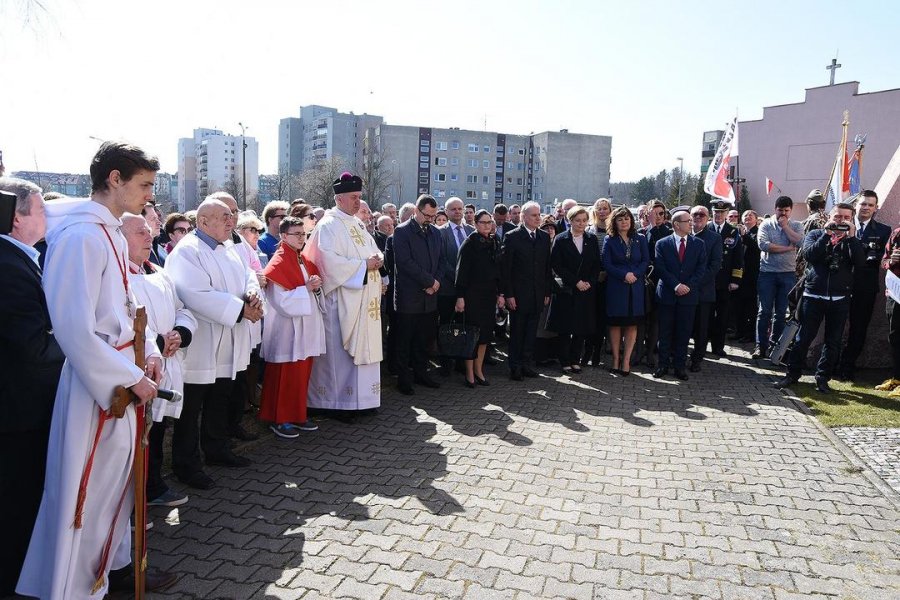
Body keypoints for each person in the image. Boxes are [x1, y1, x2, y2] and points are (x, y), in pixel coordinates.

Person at [16, 142, 174, 598]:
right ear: (114, 179)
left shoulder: (105, 231)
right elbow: (74, 329)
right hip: (96, 389)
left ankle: (105, 576)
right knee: (86, 498)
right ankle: (75, 588)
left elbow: (121, 315)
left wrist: (146, 357)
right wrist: (129, 377)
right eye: (143, 184)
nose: (149, 194)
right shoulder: (83, 237)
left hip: (121, 378)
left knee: (113, 495)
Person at [165, 197, 263, 490]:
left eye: (231, 215)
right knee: (191, 408)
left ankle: (217, 449)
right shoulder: (188, 252)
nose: (231, 220)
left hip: (227, 339)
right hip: (201, 343)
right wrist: (239, 309)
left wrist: (252, 295)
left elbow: (248, 275)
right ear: (203, 222)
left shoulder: (230, 245)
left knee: (220, 398)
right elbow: (194, 293)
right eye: (224, 216)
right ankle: (186, 465)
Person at [0, 178, 64, 597]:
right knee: (17, 502)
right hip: (17, 411)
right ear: (17, 216)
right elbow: (32, 344)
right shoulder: (7, 264)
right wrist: (82, 342)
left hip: (26, 404)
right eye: (41, 208)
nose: (48, 216)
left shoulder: (25, 256)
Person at [120, 213, 196, 508]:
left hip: (167, 361)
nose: (149, 236)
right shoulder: (118, 278)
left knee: (158, 427)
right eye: (140, 232)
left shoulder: (158, 271)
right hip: (138, 367)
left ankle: (152, 486)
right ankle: (133, 498)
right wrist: (159, 343)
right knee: (139, 433)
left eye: (148, 230)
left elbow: (183, 308)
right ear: (119, 237)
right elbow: (124, 321)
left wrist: (180, 332)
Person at [304, 172, 384, 412]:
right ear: (339, 199)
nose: (358, 202)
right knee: (339, 358)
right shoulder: (328, 225)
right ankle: (335, 404)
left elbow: (372, 249)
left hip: (363, 300)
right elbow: (327, 262)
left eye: (359, 197)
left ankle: (364, 401)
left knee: (365, 350)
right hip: (341, 301)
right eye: (353, 197)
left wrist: (378, 258)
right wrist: (363, 266)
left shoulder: (357, 222)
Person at [775, 203, 864, 393]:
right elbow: (809, 255)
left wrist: (852, 238)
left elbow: (860, 263)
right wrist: (826, 234)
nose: (841, 221)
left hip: (839, 298)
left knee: (833, 341)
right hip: (813, 296)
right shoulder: (816, 235)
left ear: (851, 219)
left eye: (846, 218)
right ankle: (792, 375)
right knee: (803, 338)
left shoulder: (851, 241)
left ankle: (823, 378)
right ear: (830, 217)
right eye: (837, 217)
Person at [260, 216, 326, 438]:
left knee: (301, 373)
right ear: (283, 236)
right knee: (285, 374)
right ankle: (279, 419)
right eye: (296, 234)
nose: (301, 238)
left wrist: (314, 288)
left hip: (305, 327)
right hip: (287, 329)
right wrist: (306, 288)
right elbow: (281, 301)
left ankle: (298, 415)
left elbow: (312, 289)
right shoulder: (279, 262)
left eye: (303, 234)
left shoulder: (302, 258)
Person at [391, 194, 443, 395]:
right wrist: (429, 282)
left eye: (433, 215)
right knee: (405, 340)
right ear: (416, 211)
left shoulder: (435, 233)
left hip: (430, 297)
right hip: (409, 296)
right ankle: (404, 379)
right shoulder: (402, 231)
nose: (430, 219)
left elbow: (441, 260)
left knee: (424, 339)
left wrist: (436, 282)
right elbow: (405, 263)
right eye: (427, 215)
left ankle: (422, 373)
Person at [837, 190, 891, 380]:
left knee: (859, 328)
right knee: (835, 326)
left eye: (870, 204)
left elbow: (882, 259)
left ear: (876, 208)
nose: (866, 207)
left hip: (865, 288)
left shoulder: (884, 231)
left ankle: (847, 366)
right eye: (863, 204)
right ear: (856, 206)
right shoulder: (841, 226)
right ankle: (830, 364)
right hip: (839, 284)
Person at [653, 209, 708, 381]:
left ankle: (679, 366)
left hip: (688, 296)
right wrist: (676, 285)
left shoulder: (699, 244)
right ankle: (662, 364)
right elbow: (661, 268)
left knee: (683, 333)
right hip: (668, 294)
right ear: (677, 224)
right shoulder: (662, 244)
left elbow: (701, 269)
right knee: (665, 332)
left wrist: (687, 286)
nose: (691, 223)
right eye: (688, 221)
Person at [502, 201, 552, 380]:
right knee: (517, 332)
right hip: (518, 295)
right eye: (534, 215)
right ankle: (514, 366)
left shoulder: (545, 237)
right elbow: (506, 270)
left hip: (538, 294)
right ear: (523, 217)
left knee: (531, 332)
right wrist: (508, 294)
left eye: (539, 215)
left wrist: (547, 292)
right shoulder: (512, 236)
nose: (538, 218)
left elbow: (547, 268)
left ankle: (527, 364)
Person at [550, 206, 602, 374]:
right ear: (570, 221)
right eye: (577, 220)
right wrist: (576, 282)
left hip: (586, 289)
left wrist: (589, 282)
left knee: (581, 326)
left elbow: (596, 265)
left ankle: (575, 359)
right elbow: (557, 265)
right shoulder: (561, 239)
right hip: (568, 289)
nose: (581, 224)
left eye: (584, 220)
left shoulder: (591, 239)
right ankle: (564, 359)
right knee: (565, 327)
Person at [454, 210, 504, 387]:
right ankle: (469, 373)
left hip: (489, 295)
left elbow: (498, 271)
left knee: (484, 335)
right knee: (472, 336)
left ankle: (479, 369)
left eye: (489, 222)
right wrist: (460, 297)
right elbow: (461, 273)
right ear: (475, 224)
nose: (487, 226)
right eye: (483, 222)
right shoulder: (469, 244)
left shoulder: (494, 242)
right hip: (471, 295)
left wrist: (500, 294)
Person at [753, 196, 804, 359]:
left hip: (787, 274)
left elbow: (800, 242)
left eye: (786, 211)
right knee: (764, 311)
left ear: (791, 210)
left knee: (781, 313)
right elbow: (764, 245)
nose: (783, 213)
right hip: (767, 273)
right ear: (775, 209)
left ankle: (775, 346)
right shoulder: (766, 225)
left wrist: (786, 227)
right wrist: (787, 248)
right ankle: (760, 346)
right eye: (780, 210)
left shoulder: (796, 225)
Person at [602, 205, 649, 376]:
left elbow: (645, 261)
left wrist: (634, 274)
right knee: (615, 325)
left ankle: (626, 361)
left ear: (632, 220)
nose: (624, 222)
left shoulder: (640, 239)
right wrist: (624, 274)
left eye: (627, 218)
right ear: (614, 222)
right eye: (620, 219)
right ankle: (615, 359)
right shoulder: (610, 239)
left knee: (631, 325)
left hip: (635, 287)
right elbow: (607, 263)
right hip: (617, 287)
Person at [436, 197, 475, 376]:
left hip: (467, 290)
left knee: (464, 326)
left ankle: (461, 360)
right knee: (446, 325)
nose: (458, 212)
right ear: (446, 211)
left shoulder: (471, 230)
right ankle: (445, 362)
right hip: (447, 289)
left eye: (460, 208)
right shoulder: (439, 232)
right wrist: (460, 278)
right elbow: (441, 261)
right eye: (454, 209)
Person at [636, 199, 672, 369]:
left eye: (661, 214)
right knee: (641, 319)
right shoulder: (641, 233)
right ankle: (639, 352)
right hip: (643, 282)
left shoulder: (670, 233)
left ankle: (650, 353)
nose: (658, 217)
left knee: (656, 320)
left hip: (661, 281)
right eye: (654, 213)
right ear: (647, 214)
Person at [688, 205, 723, 372]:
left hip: (702, 291)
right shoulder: (683, 234)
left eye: (702, 215)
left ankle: (697, 358)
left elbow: (715, 265)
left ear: (708, 217)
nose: (698, 217)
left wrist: (693, 282)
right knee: (684, 326)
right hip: (683, 291)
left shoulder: (714, 238)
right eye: (695, 214)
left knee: (701, 328)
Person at [708, 201, 743, 358]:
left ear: (726, 213)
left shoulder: (733, 232)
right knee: (705, 317)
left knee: (722, 317)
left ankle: (718, 347)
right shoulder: (706, 229)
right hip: (707, 281)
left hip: (724, 282)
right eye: (716, 211)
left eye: (721, 212)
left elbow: (738, 258)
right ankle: (702, 346)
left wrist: (736, 280)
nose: (718, 215)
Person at [581, 198, 612, 367]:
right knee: (588, 317)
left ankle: (597, 353)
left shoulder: (613, 231)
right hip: (591, 279)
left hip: (608, 279)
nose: (602, 212)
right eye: (599, 208)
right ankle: (587, 350)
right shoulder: (588, 231)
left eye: (605, 208)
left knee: (601, 319)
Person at [876, 220, 900, 394]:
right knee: (895, 336)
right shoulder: (897, 233)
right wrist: (891, 261)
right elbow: (884, 260)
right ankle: (897, 378)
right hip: (895, 292)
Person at [734, 210, 761, 342]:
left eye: (751, 215)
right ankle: (739, 331)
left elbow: (757, 247)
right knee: (739, 305)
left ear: (756, 219)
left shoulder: (758, 232)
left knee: (750, 306)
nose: (748, 217)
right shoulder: (738, 233)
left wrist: (745, 237)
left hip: (752, 274)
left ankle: (750, 334)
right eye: (745, 215)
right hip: (739, 275)